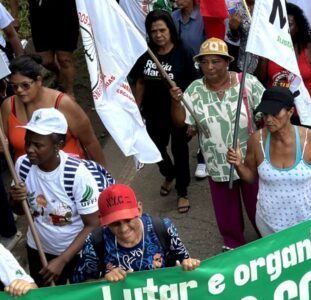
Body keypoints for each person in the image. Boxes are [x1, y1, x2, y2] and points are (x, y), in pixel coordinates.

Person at [170, 37, 265, 251]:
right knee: (226, 212)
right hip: (217, 163)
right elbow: (179, 122)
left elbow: (267, 113)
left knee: (259, 206)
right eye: (204, 62)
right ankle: (233, 246)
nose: (209, 67)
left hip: (250, 160)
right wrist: (176, 102)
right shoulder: (194, 90)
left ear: (227, 62)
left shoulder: (247, 82)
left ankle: (266, 241)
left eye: (216, 61)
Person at [9, 108, 100, 286]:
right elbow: (19, 211)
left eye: (38, 145)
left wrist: (63, 260)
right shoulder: (22, 165)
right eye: (27, 143)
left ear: (58, 145)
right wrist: (16, 199)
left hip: (75, 252)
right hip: (38, 249)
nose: (29, 150)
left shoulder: (76, 174)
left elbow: (93, 224)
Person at [226, 87, 311, 236]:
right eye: (265, 114)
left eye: (274, 113)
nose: (268, 119)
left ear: (291, 112)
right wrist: (238, 165)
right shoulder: (256, 141)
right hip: (268, 224)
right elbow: (250, 177)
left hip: (306, 221)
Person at [131, 10, 199, 213]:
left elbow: (195, 86)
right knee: (155, 148)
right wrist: (136, 109)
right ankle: (169, 173)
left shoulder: (183, 51)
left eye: (162, 30)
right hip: (153, 112)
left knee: (179, 150)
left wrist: (191, 120)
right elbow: (141, 81)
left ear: (170, 29)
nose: (158, 35)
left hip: (177, 112)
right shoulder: (146, 52)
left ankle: (182, 191)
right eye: (154, 31)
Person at [72, 184, 200, 282]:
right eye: (114, 224)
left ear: (139, 210)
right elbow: (82, 286)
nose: (123, 229)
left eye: (128, 220)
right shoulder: (96, 241)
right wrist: (104, 281)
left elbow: (185, 262)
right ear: (102, 220)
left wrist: (187, 265)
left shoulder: (162, 228)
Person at [1, 55, 106, 166]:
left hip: (69, 175)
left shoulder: (63, 103)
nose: (19, 90)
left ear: (39, 80)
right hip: (29, 178)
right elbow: (5, 144)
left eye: (25, 85)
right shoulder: (8, 106)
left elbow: (90, 142)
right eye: (14, 86)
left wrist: (104, 177)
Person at [256, 3, 311, 128]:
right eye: (282, 25)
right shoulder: (269, 49)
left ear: (299, 26)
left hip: (305, 114)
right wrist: (263, 54)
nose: (286, 29)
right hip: (275, 114)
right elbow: (259, 80)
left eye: (290, 24)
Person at [10, 0, 78, 95]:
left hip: (65, 12)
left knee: (64, 59)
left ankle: (70, 92)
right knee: (46, 60)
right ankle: (59, 73)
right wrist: (15, 16)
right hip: (39, 15)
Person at [172, 0, 208, 180]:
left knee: (201, 112)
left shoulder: (203, 17)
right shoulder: (173, 17)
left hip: (201, 75)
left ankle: (203, 157)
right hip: (180, 75)